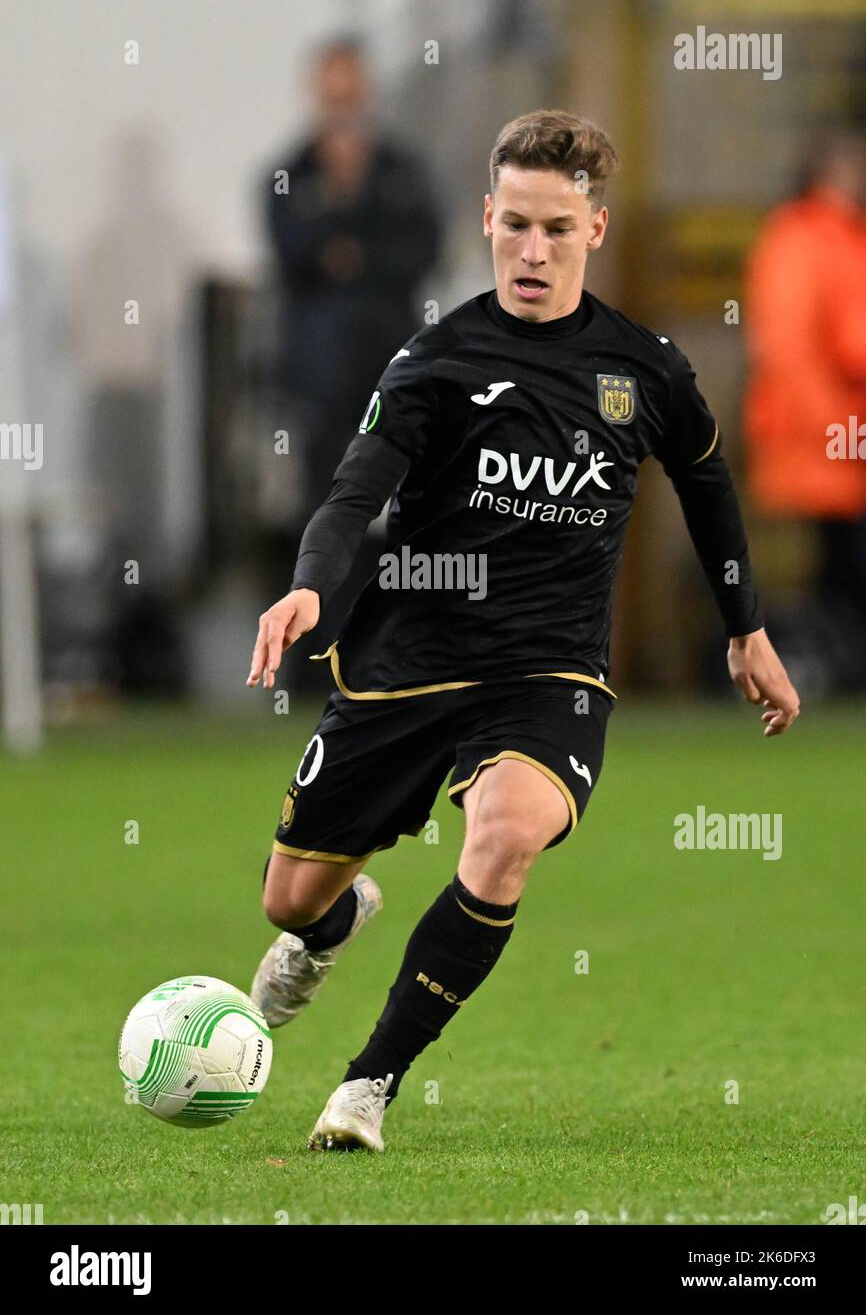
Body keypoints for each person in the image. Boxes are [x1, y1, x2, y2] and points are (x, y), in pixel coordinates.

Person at [247, 110, 800, 1153]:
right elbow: (353, 487)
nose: (532, 252)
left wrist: (745, 628)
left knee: (502, 835)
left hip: (547, 673)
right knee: (288, 898)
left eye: (555, 229)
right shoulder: (438, 358)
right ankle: (330, 926)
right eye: (514, 227)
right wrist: (310, 585)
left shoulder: (643, 370)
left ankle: (368, 1084)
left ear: (593, 228)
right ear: (487, 219)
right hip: (406, 661)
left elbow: (704, 478)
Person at [263, 37, 440, 603]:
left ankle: (388, 650)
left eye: (352, 88)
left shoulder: (402, 170)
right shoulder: (289, 174)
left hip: (390, 374)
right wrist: (356, 249)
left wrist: (351, 255)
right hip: (319, 384)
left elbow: (421, 249)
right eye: (332, 89)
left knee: (398, 507)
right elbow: (294, 250)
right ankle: (315, 651)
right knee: (323, 510)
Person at [743, 130, 866, 655]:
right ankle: (831, 660)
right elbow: (791, 348)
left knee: (842, 563)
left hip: (840, 431)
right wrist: (837, 429)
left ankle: (839, 660)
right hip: (820, 435)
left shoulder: (844, 236)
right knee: (843, 559)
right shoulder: (799, 238)